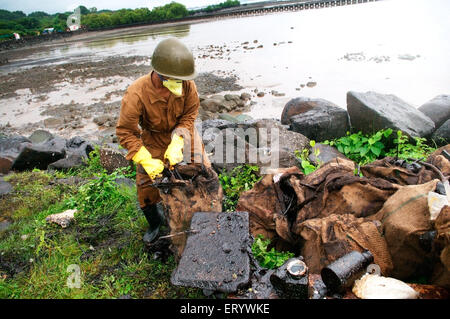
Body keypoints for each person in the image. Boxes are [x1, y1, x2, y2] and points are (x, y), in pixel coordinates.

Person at [116, 38, 210, 244]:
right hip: (153, 136)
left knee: (203, 168)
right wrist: (146, 159)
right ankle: (156, 223)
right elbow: (125, 132)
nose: (182, 84)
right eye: (177, 80)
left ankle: (206, 210)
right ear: (161, 74)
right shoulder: (136, 93)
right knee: (146, 183)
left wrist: (178, 141)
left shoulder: (186, 84)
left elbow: (190, 112)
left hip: (183, 131)